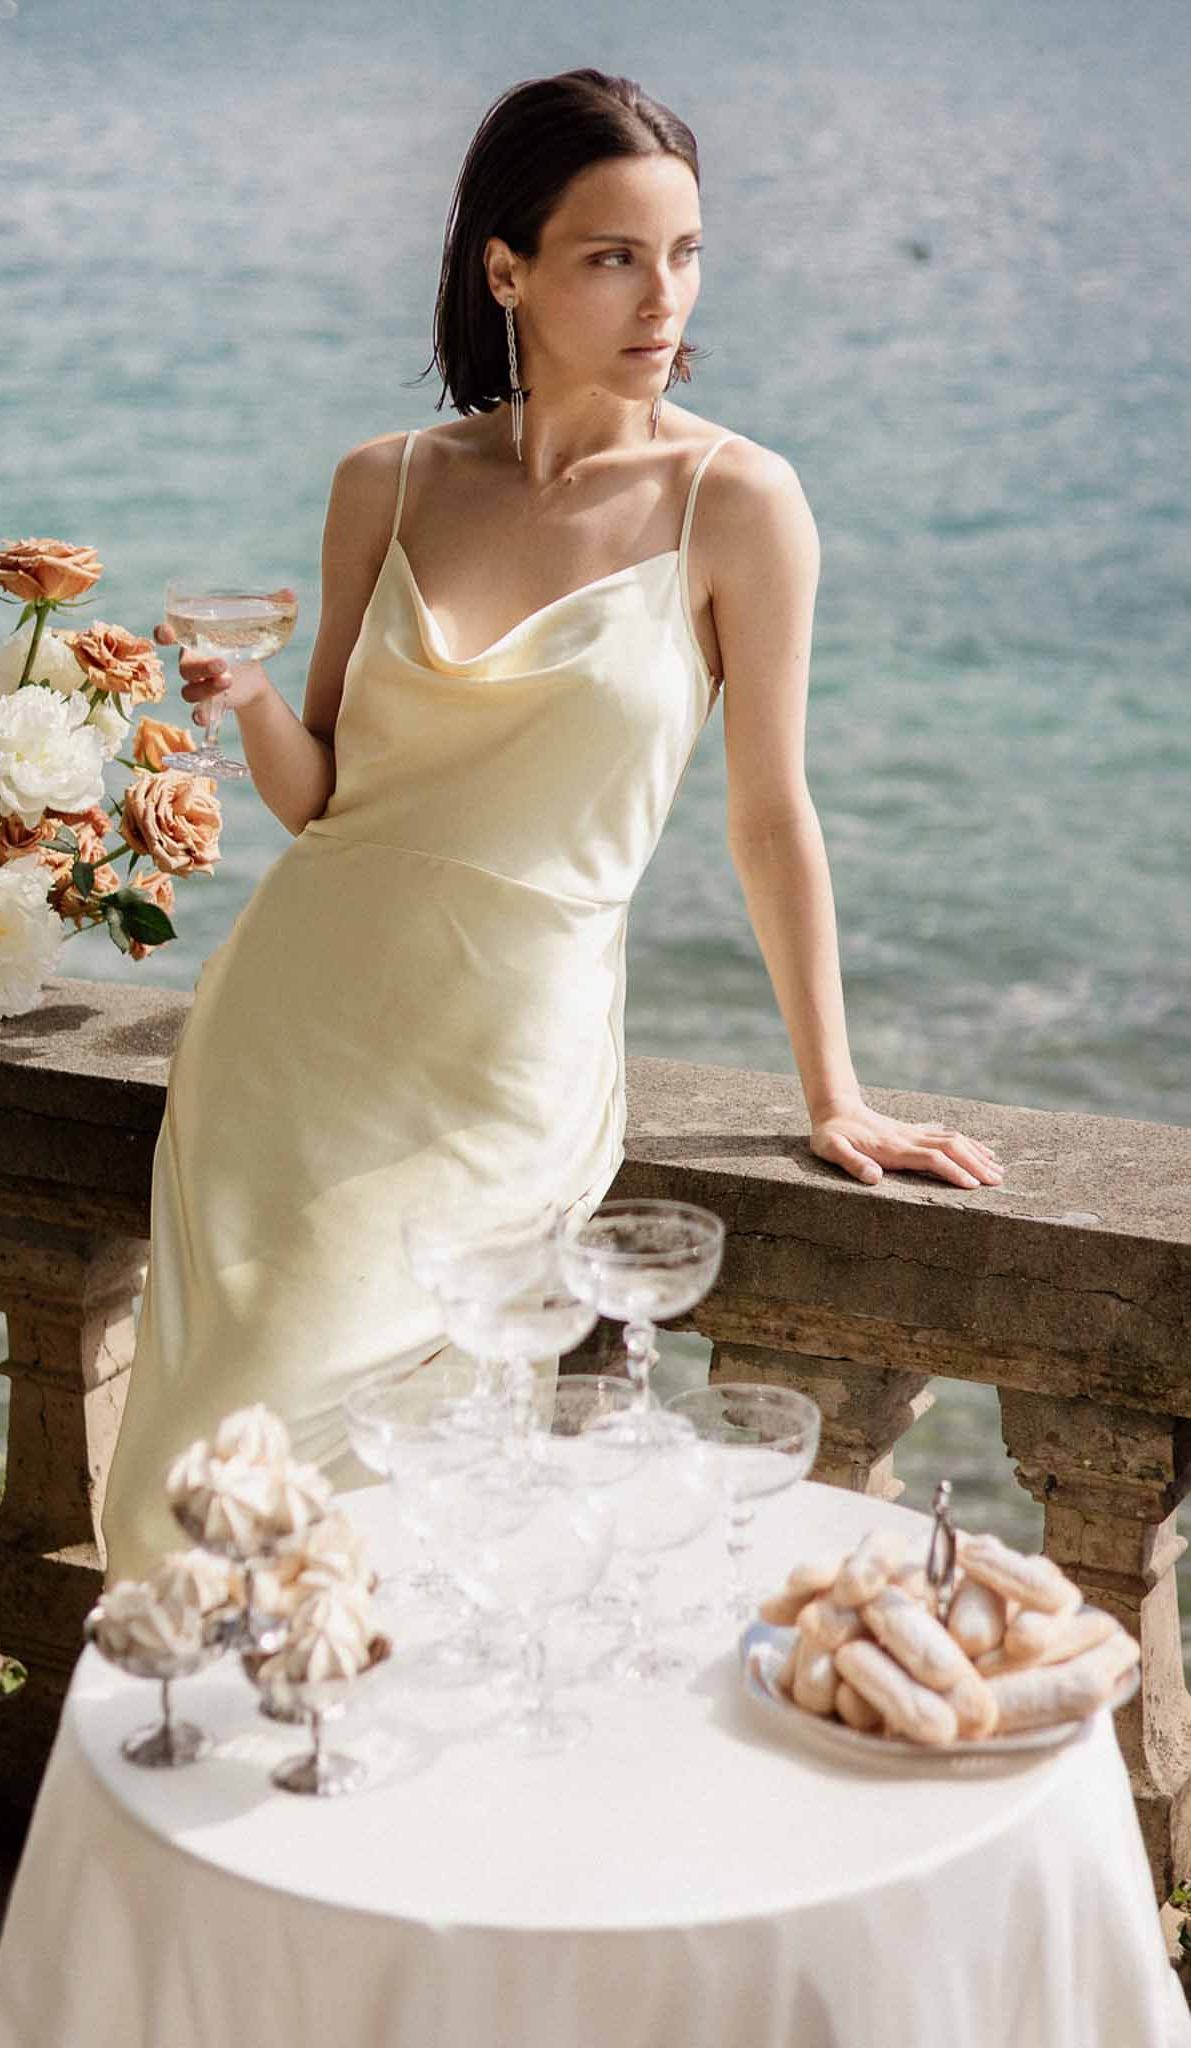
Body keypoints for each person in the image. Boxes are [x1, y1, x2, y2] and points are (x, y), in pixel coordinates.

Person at [100, 68, 1001, 1583]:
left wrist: (832, 1092)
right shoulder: (385, 484)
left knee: (381, 1517)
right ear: (503, 267)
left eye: (687, 252)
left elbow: (770, 814)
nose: (665, 295)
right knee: (173, 1506)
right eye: (613, 255)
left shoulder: (738, 502)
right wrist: (247, 705)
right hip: (286, 1045)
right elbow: (328, 796)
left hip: (500, 1068)